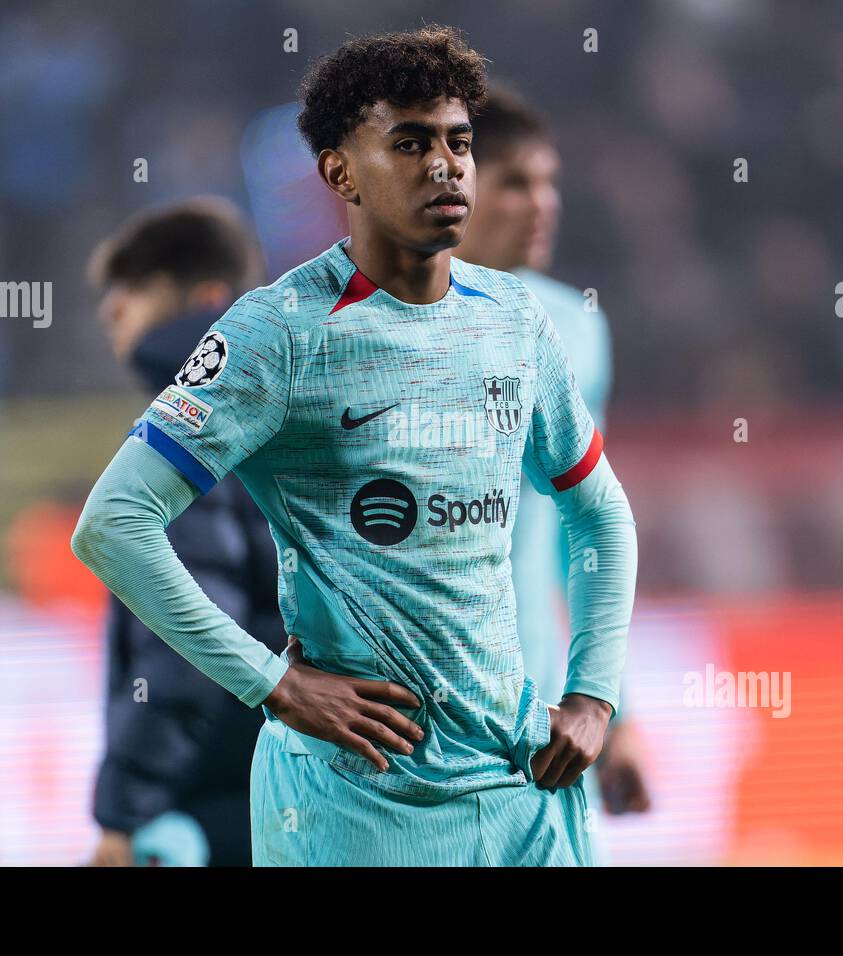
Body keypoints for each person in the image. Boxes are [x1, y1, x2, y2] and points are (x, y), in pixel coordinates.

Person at [72, 24, 637, 866]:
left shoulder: (516, 322)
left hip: (519, 790)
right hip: (353, 803)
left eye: (458, 142)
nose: (444, 165)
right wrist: (274, 684)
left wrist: (594, 698)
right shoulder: (278, 334)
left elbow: (601, 514)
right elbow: (113, 523)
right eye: (408, 143)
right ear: (340, 171)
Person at [454, 87, 653, 861]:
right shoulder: (360, 325)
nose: (542, 204)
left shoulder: (574, 326)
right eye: (514, 182)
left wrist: (615, 709)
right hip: (409, 716)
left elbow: (588, 535)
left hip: (540, 709)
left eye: (548, 182)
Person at [83, 198, 286, 866]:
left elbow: (187, 644)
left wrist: (124, 815)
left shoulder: (194, 423)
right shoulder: (278, 406)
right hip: (283, 793)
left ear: (208, 299)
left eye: (137, 288)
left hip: (220, 814)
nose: (113, 309)